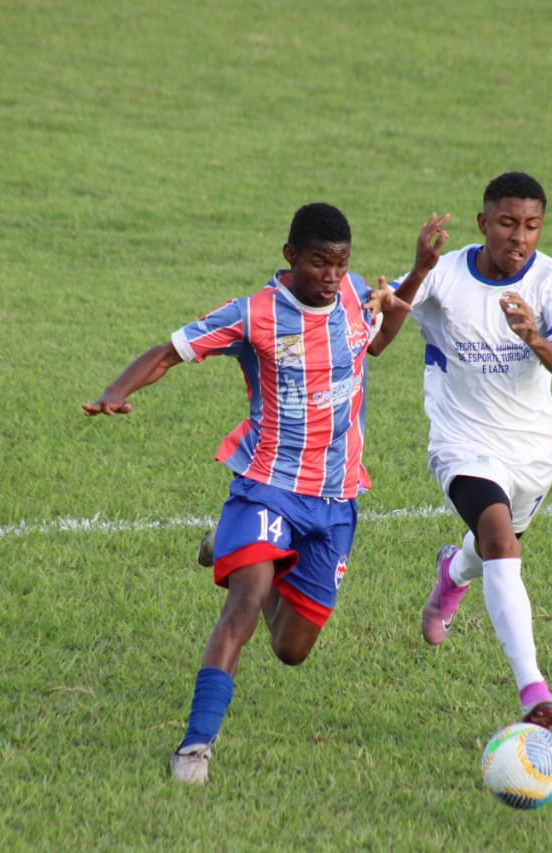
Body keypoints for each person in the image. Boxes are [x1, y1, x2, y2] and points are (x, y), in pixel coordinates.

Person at [83, 203, 408, 784]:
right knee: (245, 602)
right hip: (268, 485)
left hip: (335, 499)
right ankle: (195, 747)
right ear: (290, 257)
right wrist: (115, 388)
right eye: (318, 263)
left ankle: (233, 548)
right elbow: (169, 352)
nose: (331, 276)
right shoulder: (254, 315)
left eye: (340, 264)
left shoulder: (357, 293)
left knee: (291, 649)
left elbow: (378, 343)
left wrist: (423, 268)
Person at [390, 171, 552, 730]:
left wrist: (535, 338)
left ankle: (452, 573)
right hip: (462, 441)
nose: (519, 236)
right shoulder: (447, 274)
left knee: (490, 550)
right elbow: (386, 324)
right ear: (483, 223)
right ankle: (533, 689)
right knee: (501, 541)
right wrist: (402, 285)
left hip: (533, 451)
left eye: (531, 225)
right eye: (507, 223)